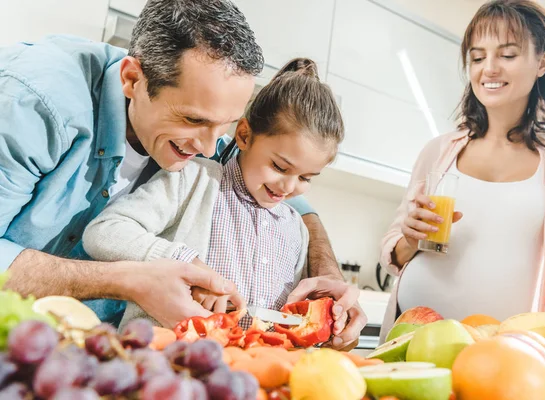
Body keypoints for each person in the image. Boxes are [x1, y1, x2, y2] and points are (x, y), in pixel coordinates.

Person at [0, 0, 365, 348]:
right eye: (194, 120)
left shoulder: (200, 138)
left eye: (224, 127)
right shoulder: (34, 101)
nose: (209, 150)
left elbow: (286, 194)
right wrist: (129, 280)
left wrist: (328, 278)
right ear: (132, 79)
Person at [379, 0, 545, 342]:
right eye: (478, 57)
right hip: (411, 336)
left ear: (542, 61)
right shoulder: (438, 151)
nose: (489, 69)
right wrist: (408, 239)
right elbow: (393, 252)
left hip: (500, 352)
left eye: (507, 55)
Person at [82, 58, 343, 331]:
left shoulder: (296, 229)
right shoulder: (192, 180)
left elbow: (292, 322)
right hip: (165, 360)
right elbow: (104, 232)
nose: (289, 187)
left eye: (305, 178)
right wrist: (182, 260)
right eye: (279, 167)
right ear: (243, 135)